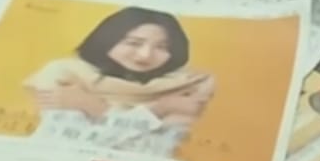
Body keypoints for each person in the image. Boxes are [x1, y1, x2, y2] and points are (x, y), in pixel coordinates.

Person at [25, 9, 215, 144]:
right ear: (106, 40)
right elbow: (74, 143)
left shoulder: (187, 84)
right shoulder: (65, 74)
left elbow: (152, 149)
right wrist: (158, 110)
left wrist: (96, 109)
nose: (145, 55)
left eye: (162, 47)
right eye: (133, 43)